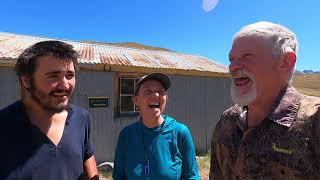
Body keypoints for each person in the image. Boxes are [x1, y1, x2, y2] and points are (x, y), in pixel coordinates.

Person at [209, 21, 320, 179]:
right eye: (231, 59)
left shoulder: (314, 121)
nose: (232, 67)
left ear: (286, 62)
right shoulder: (228, 120)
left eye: (247, 56)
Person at [0, 41, 99, 179]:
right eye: (53, 76)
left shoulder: (81, 118)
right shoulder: (4, 125)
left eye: (70, 75)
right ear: (26, 80)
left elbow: (87, 158)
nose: (65, 85)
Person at [113, 73, 200, 180]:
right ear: (136, 100)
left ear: (166, 99)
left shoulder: (180, 133)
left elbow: (192, 176)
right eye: (148, 91)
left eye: (161, 92)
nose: (156, 95)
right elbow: (119, 176)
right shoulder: (126, 135)